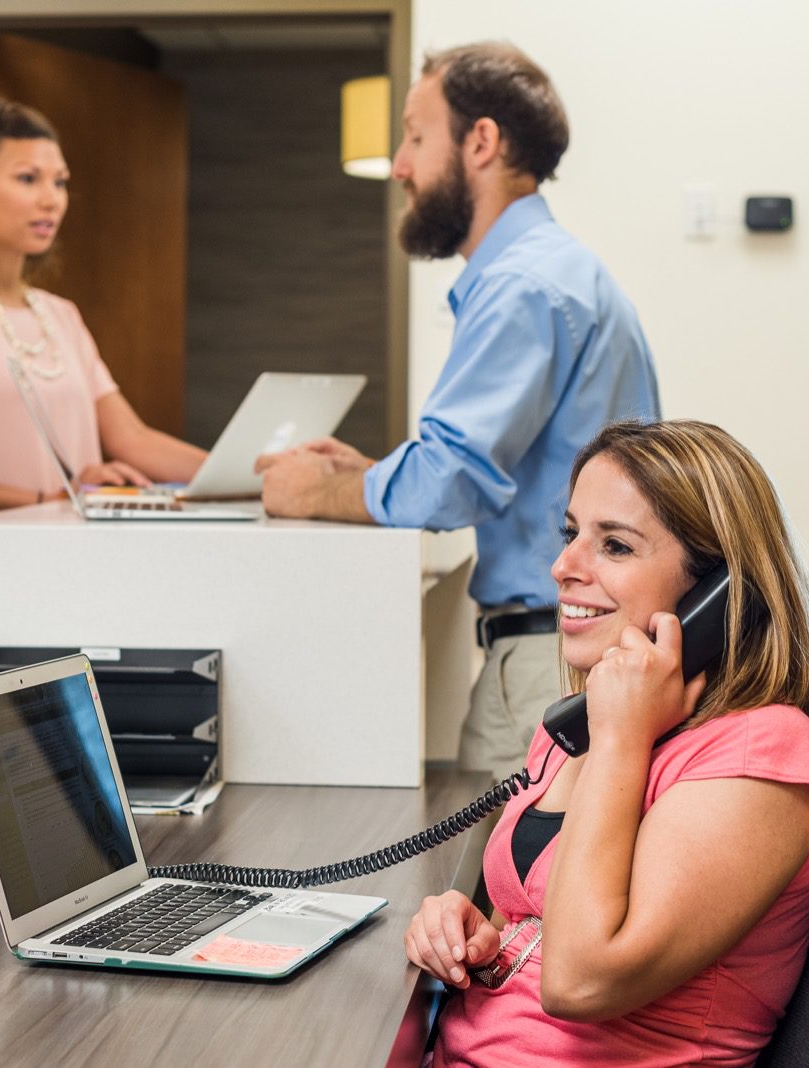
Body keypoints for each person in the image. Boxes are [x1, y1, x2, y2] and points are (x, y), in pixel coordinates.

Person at [257, 43, 660, 776]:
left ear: (481, 141)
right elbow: (509, 467)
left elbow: (451, 480)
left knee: (500, 882)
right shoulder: (558, 271)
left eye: (414, 135)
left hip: (549, 657)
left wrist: (314, 492)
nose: (401, 165)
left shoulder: (523, 284)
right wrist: (377, 475)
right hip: (573, 649)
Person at [403, 419, 809, 1067]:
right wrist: (473, 934)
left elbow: (581, 981)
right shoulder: (585, 727)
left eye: (613, 546)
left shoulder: (758, 760)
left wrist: (620, 739)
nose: (563, 567)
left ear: (717, 594)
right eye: (570, 533)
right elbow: (535, 925)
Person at [0, 99, 206, 602]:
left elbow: (133, 439)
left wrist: (252, 472)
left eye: (60, 182)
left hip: (63, 576)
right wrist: (43, 502)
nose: (51, 199)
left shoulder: (61, 315)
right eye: (28, 179)